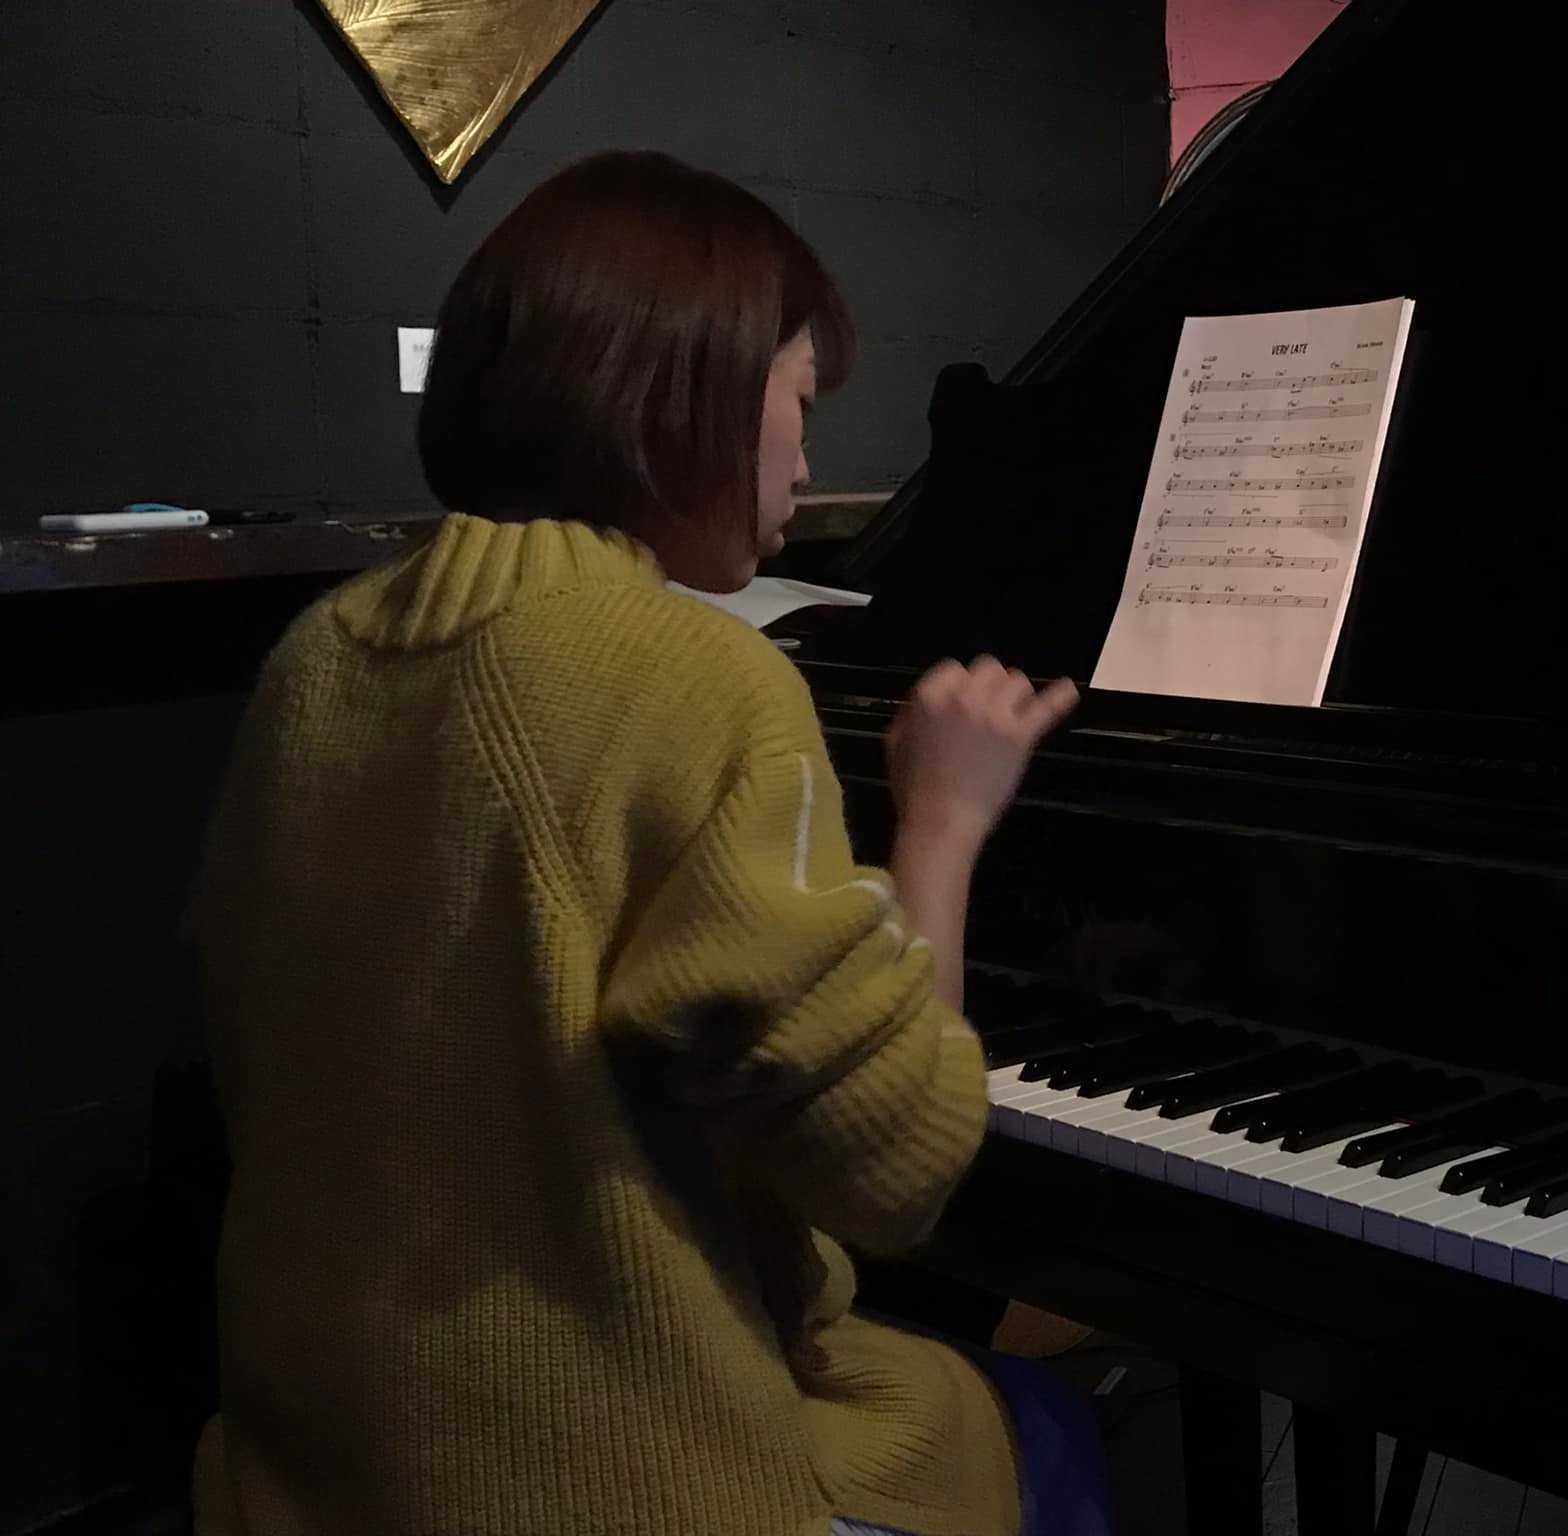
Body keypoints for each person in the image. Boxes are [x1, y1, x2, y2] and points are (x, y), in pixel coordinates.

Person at [187, 151, 1110, 1536]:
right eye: (800, 399)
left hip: (326, 1460)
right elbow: (896, 1168)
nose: (807, 459)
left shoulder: (319, 660)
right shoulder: (695, 677)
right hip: (607, 1468)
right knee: (1049, 1425)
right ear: (691, 392)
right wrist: (945, 820)